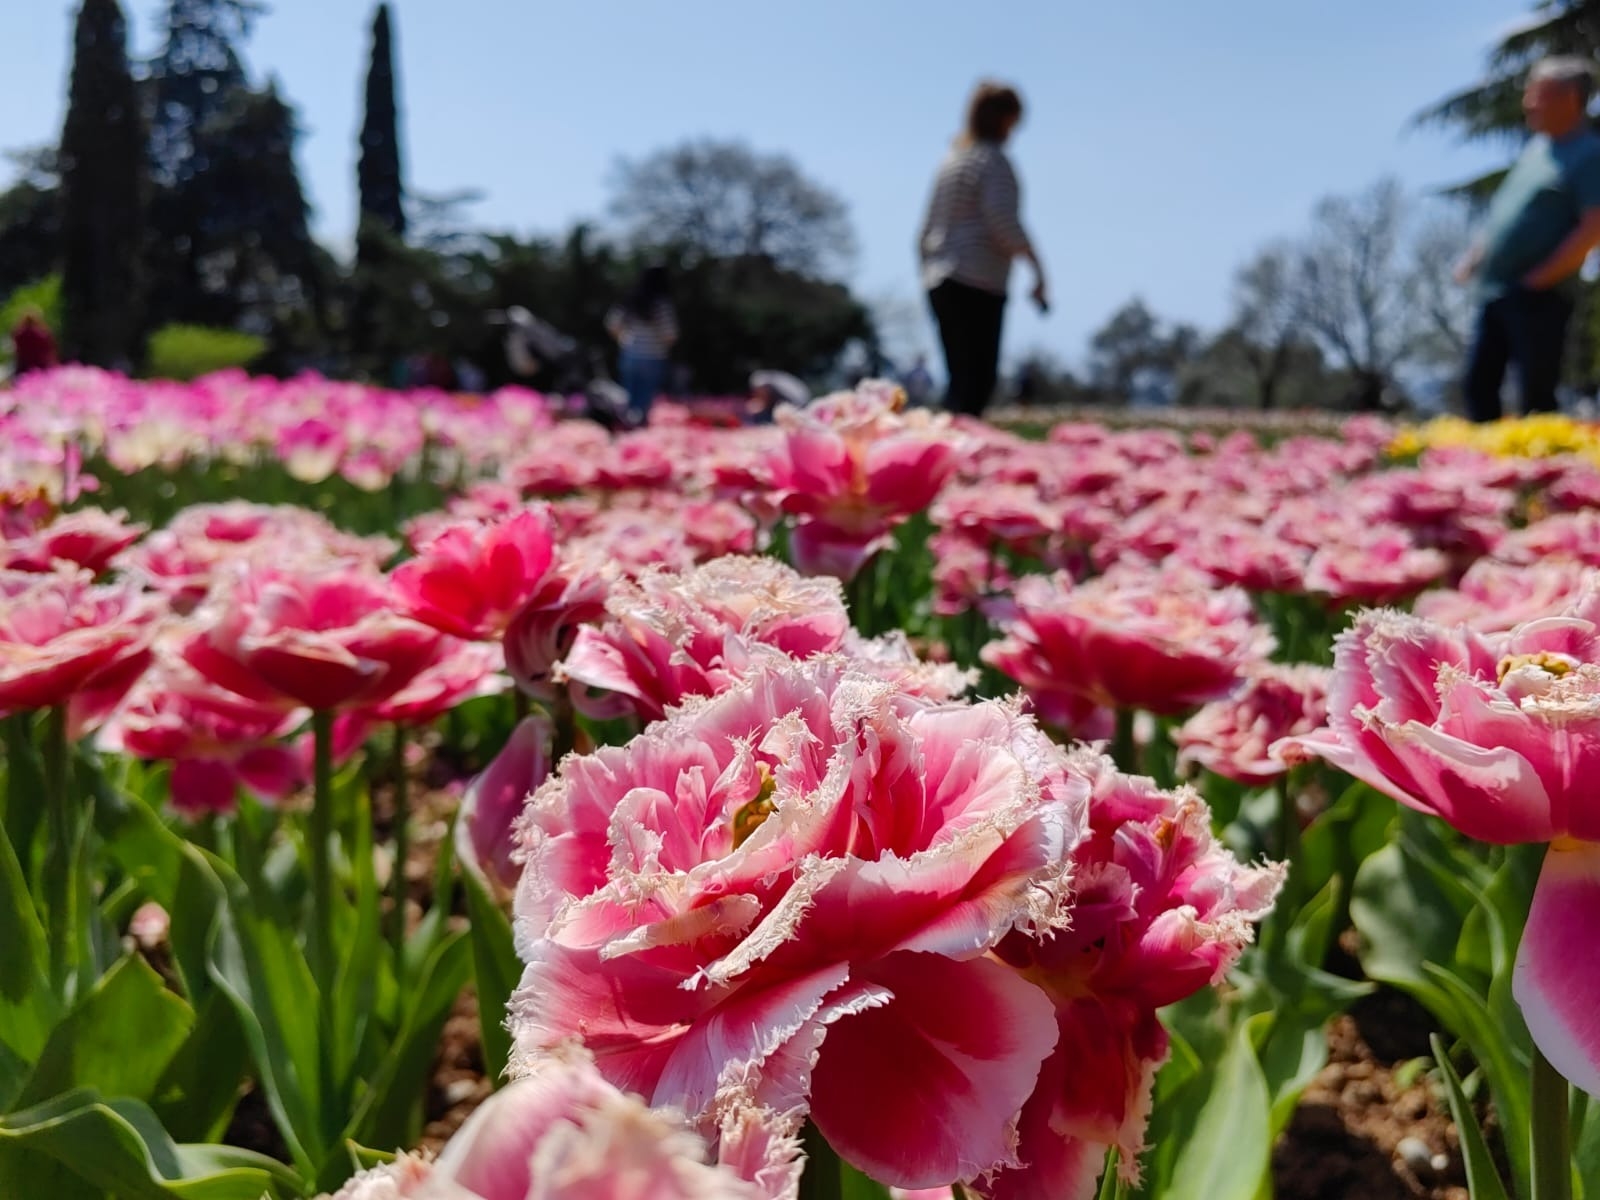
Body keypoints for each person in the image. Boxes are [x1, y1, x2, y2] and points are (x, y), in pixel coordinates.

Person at [1456, 56, 1600, 422]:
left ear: (1569, 98)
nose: (1528, 103)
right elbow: (1506, 214)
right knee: (1479, 385)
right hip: (1496, 288)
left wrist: (1543, 277)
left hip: (1539, 294)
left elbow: (1594, 225)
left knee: (1535, 394)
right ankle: (1479, 470)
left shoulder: (1589, 154)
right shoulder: (1536, 151)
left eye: (1538, 94)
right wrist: (1476, 256)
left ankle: (1542, 474)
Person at [918, 81, 1048, 418]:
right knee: (977, 382)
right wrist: (1037, 268)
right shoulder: (993, 162)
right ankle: (961, 459)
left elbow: (925, 229)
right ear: (1004, 119)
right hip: (977, 280)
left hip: (939, 278)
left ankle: (944, 456)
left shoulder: (952, 161)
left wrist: (927, 269)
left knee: (959, 381)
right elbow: (1002, 221)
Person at [605, 264, 678, 425]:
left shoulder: (630, 299)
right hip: (653, 357)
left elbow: (612, 324)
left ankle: (625, 428)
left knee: (629, 398)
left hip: (630, 354)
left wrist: (623, 339)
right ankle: (637, 429)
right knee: (644, 401)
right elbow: (670, 335)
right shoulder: (661, 304)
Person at [10, 310, 59, 376]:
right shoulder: (41, 333)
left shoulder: (19, 334)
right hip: (40, 365)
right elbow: (48, 349)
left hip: (23, 366)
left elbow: (16, 349)